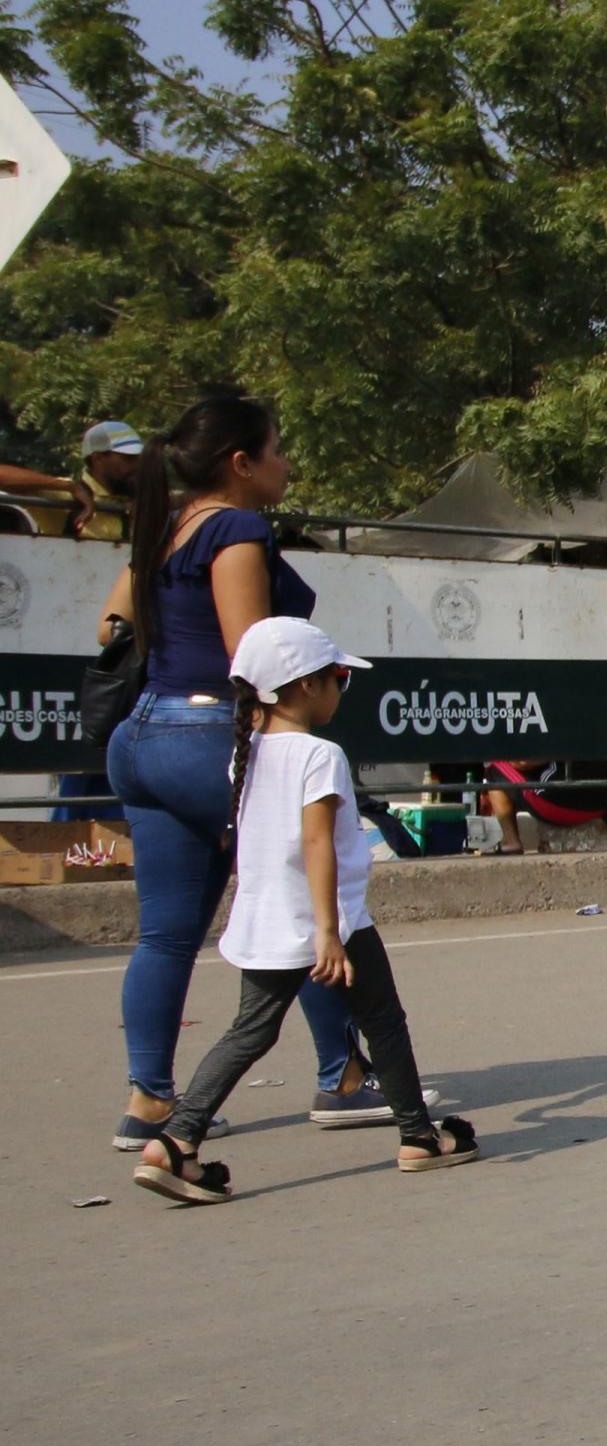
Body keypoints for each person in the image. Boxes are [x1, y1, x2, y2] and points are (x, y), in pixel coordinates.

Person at [94, 389, 429, 1154]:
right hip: (209, 733)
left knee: (166, 935)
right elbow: (256, 656)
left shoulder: (164, 525)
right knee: (303, 902)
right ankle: (342, 1078)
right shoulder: (237, 527)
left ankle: (148, 1098)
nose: (286, 464)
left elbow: (109, 626)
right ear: (241, 464)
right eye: (278, 449)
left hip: (142, 734)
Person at [128, 619, 479, 1203]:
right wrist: (328, 932)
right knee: (384, 1022)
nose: (343, 688)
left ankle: (176, 1140)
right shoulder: (320, 755)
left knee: (249, 1033)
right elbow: (316, 842)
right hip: (327, 921)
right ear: (306, 686)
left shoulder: (247, 753)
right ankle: (419, 1136)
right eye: (340, 677)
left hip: (266, 918)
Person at [0, 417, 141, 541]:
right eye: (129, 458)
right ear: (98, 458)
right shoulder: (65, 496)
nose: (137, 465)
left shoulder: (141, 501)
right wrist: (70, 487)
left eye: (139, 458)